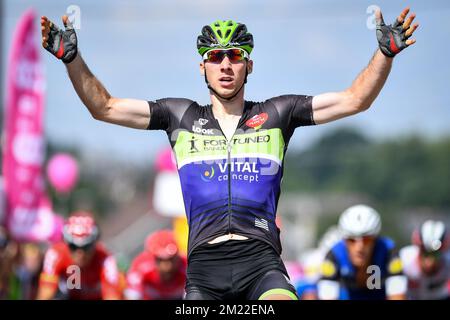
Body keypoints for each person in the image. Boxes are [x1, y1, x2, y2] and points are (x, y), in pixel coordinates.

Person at [40, 7, 418, 300]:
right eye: (215, 56)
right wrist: (71, 59)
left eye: (234, 56)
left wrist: (384, 54)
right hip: (204, 267)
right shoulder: (179, 116)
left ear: (248, 65)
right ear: (202, 66)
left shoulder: (277, 114)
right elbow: (103, 107)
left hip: (261, 261)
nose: (225, 64)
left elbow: (355, 100)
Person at [317, 205, 407, 300]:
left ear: (375, 239)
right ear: (344, 240)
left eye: (366, 240)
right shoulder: (334, 255)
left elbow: (397, 296)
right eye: (351, 240)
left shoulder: (389, 252)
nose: (359, 247)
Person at [37, 213, 122, 300]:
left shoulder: (105, 260)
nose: (80, 253)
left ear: (94, 244)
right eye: (73, 247)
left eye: (86, 247)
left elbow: (112, 297)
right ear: (66, 243)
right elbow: (45, 294)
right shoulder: (55, 254)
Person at [125, 229, 187, 300]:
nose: (168, 266)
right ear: (152, 258)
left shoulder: (188, 266)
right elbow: (132, 296)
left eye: (171, 259)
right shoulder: (140, 267)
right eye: (161, 260)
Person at [399, 220, 450, 300]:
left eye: (435, 254)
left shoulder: (448, 262)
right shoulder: (403, 260)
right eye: (425, 254)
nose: (429, 262)